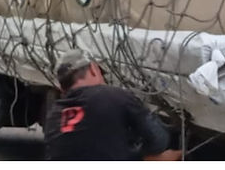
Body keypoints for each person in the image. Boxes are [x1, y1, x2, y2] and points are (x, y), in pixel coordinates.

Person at [43, 48, 181, 161]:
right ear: (93, 69)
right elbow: (158, 140)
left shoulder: (54, 115)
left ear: (61, 88)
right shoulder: (115, 96)